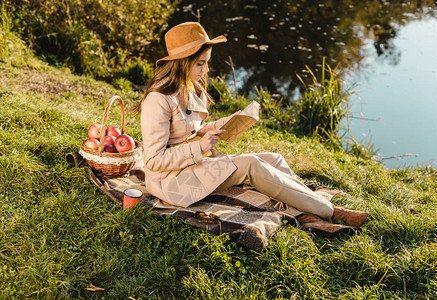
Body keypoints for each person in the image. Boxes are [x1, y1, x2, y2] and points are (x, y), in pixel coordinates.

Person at [138, 22, 369, 237]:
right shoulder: (158, 99)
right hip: (171, 182)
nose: (206, 70)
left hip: (193, 165)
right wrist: (199, 147)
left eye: (207, 62)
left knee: (274, 159)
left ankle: (307, 217)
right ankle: (331, 212)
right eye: (200, 63)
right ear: (182, 61)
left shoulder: (188, 85)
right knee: (251, 165)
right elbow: (153, 161)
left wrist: (227, 123)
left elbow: (192, 129)